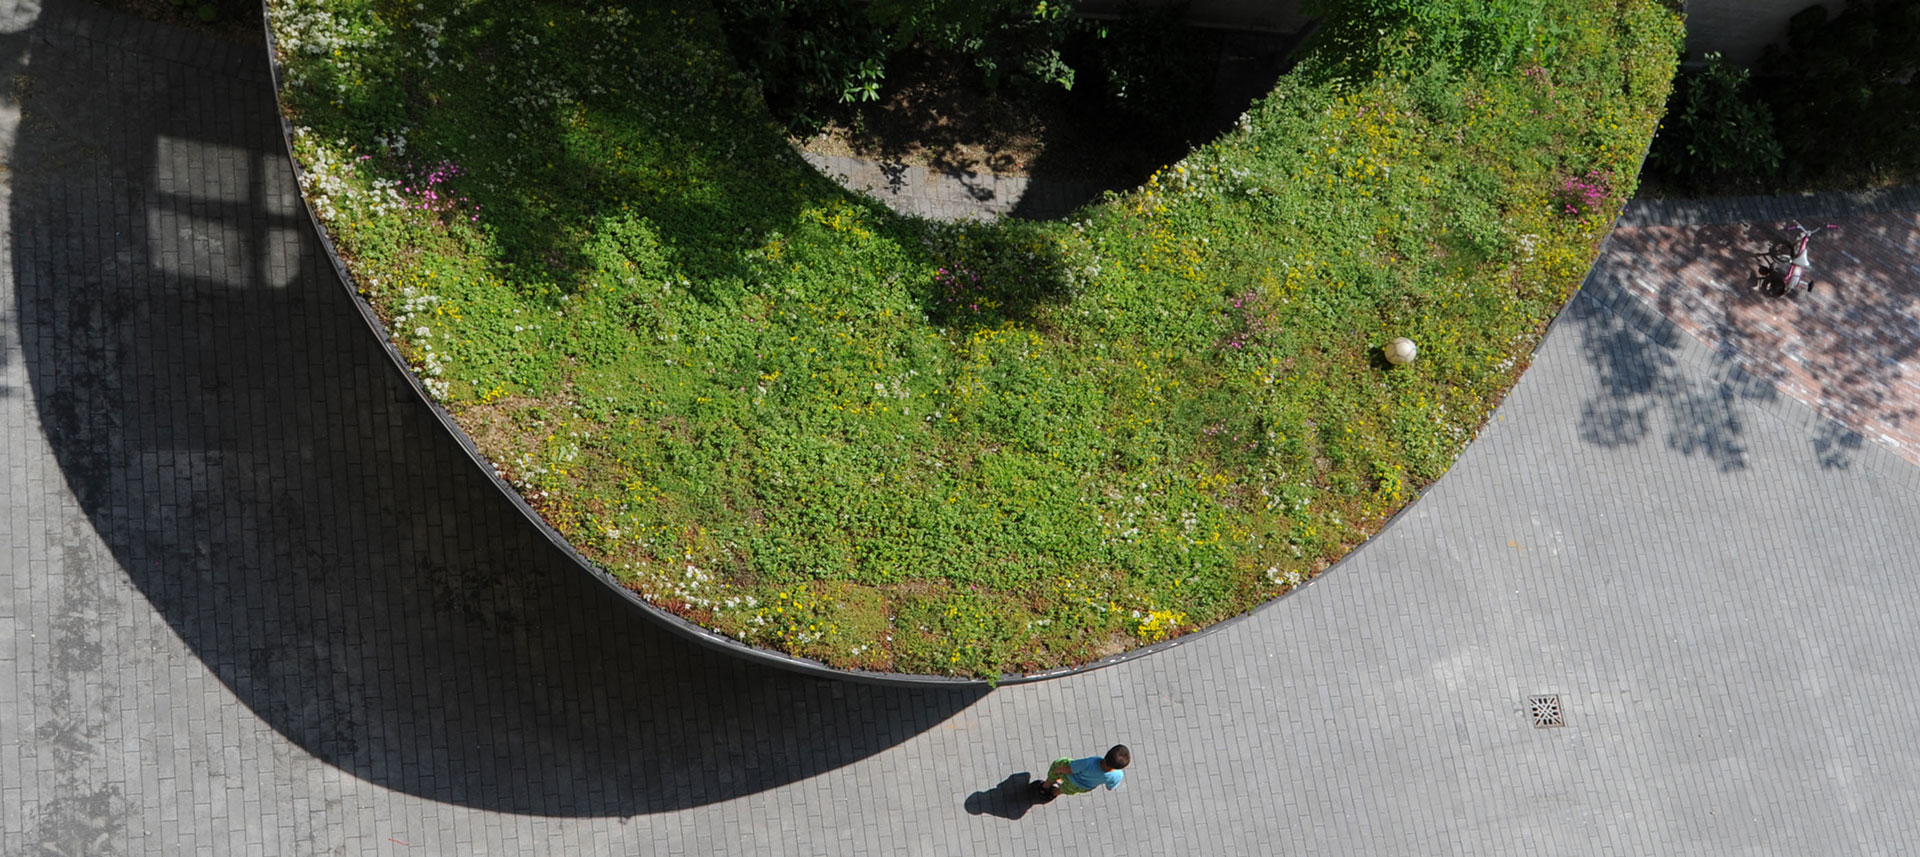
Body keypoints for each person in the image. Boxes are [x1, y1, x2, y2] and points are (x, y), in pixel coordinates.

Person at [1035, 744, 1129, 800]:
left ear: (1107, 753)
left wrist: (1058, 770)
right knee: (1066, 790)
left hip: (1071, 776)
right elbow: (1110, 787)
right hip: (1083, 786)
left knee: (1058, 764)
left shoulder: (1091, 762)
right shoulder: (1118, 775)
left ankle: (1044, 787)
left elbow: (1071, 769)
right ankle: (1053, 793)